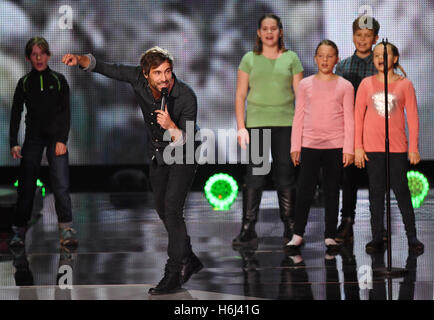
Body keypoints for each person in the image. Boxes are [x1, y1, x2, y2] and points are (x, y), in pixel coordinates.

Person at [62, 46, 202, 295]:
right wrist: (80, 59)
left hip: (185, 151)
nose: (165, 78)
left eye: (168, 71)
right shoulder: (137, 77)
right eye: (158, 73)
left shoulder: (185, 96)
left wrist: (170, 125)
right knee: (162, 209)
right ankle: (188, 256)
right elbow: (107, 68)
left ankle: (174, 272)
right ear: (146, 74)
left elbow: (189, 139)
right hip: (158, 153)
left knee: (172, 210)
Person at [233, 13, 304, 247]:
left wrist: (302, 128)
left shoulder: (291, 58)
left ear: (280, 31)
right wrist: (241, 127)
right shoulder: (249, 59)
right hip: (257, 122)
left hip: (286, 123)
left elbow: (301, 97)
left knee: (285, 175)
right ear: (259, 33)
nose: (269, 32)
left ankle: (290, 226)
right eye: (265, 28)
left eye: (274, 28)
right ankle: (248, 227)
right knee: (256, 174)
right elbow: (241, 95)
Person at [354, 42, 424, 254]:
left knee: (402, 191)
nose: (380, 58)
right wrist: (358, 146)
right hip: (372, 147)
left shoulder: (405, 85)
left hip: (396, 147)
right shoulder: (366, 84)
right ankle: (377, 236)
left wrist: (413, 147)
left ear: (394, 58)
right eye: (376, 55)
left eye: (384, 54)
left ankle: (412, 236)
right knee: (376, 193)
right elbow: (358, 116)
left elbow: (412, 117)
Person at [286, 40, 354, 254]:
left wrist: (349, 148)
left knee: (332, 191)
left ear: (336, 59)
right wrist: (295, 145)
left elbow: (350, 119)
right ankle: (297, 234)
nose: (325, 60)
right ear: (315, 59)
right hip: (309, 145)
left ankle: (329, 235)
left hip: (335, 145)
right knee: (305, 190)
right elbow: (298, 116)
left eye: (330, 56)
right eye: (321, 56)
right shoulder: (305, 84)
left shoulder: (345, 86)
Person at [9, 37, 77, 248]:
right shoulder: (24, 83)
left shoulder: (59, 80)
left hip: (56, 138)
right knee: (26, 187)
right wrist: (13, 142)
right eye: (34, 54)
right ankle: (19, 231)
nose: (38, 58)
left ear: (48, 55)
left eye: (42, 53)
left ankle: (66, 229)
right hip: (33, 139)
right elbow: (16, 112)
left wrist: (61, 140)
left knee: (61, 185)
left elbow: (65, 113)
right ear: (29, 57)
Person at [334, 15, 380, 243]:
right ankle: (347, 222)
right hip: (349, 133)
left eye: (367, 36)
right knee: (348, 178)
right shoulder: (342, 67)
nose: (362, 40)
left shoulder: (380, 64)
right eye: (358, 35)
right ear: (353, 37)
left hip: (376, 132)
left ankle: (378, 227)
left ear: (375, 38)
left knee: (376, 180)